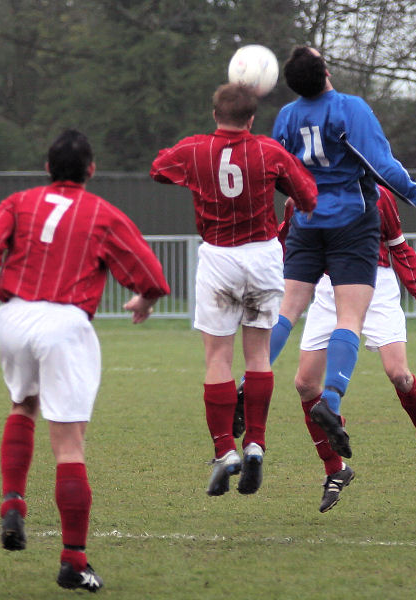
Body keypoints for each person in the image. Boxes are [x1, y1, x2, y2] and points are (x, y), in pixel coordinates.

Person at [0, 129, 170, 592]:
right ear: (91, 170)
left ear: (47, 168)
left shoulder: (18, 202)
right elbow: (151, 275)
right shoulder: (102, 213)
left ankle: (13, 503)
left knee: (23, 404)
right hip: (64, 323)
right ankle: (73, 560)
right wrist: (145, 302)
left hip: (12, 316)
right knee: (69, 445)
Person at [267, 46, 416, 459]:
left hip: (342, 255)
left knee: (397, 373)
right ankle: (333, 418)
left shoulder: (286, 117)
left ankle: (251, 387)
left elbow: (275, 169)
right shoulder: (350, 116)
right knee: (336, 340)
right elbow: (385, 166)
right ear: (325, 72)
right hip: (347, 244)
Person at [150, 83, 317, 497]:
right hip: (262, 256)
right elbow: (309, 196)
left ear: (214, 115)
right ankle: (256, 443)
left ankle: (225, 451)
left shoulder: (195, 149)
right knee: (258, 355)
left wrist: (194, 174)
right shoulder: (269, 151)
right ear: (252, 118)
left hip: (218, 258)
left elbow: (157, 168)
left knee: (217, 357)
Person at [295, 186, 416, 512]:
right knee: (305, 385)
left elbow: (399, 247)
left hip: (376, 282)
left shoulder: (377, 194)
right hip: (329, 284)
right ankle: (335, 469)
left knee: (399, 375)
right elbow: (288, 243)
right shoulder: (304, 191)